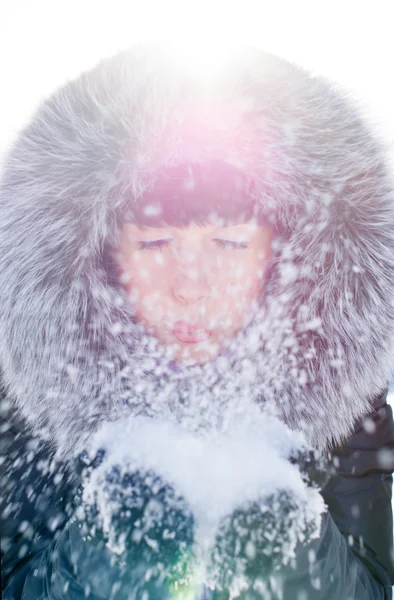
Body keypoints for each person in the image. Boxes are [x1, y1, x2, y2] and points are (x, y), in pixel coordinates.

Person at [1, 44, 394, 599]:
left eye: (230, 243)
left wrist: (301, 556)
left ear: (279, 255)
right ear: (107, 254)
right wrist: (105, 558)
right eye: (156, 242)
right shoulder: (29, 391)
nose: (191, 286)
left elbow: (379, 586)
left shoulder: (341, 396)